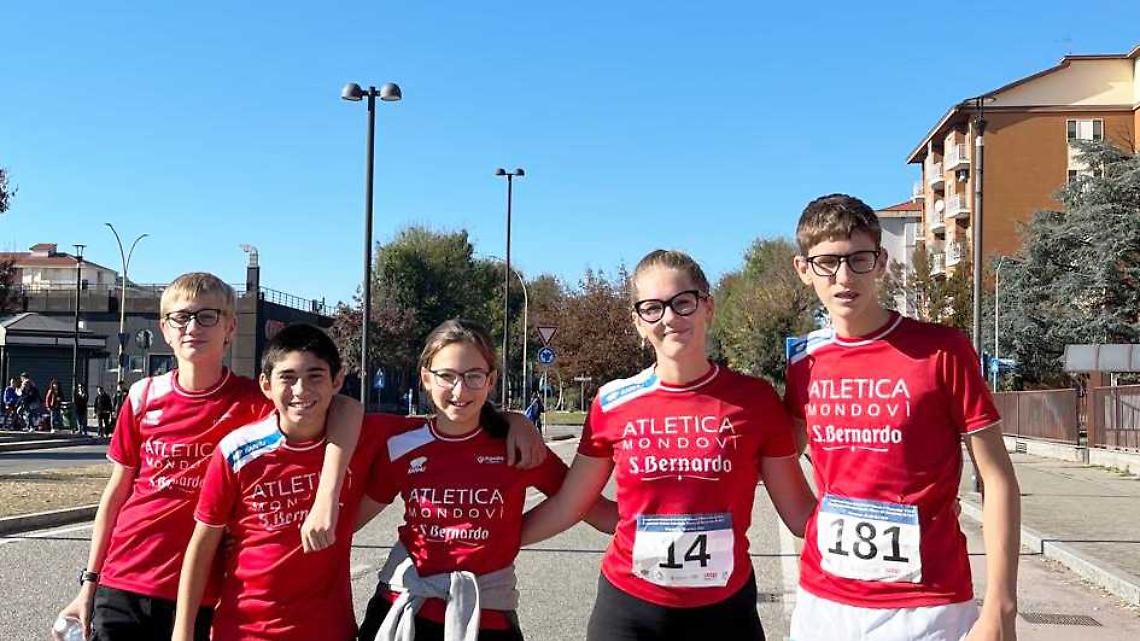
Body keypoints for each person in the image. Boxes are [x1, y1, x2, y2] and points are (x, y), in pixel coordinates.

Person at [51, 273, 367, 641]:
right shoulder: (142, 396)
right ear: (164, 330)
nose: (192, 327)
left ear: (230, 328)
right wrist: (89, 580)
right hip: (124, 579)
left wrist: (326, 497)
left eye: (207, 316)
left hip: (204, 590)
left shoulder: (256, 402)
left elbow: (345, 407)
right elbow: (117, 494)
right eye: (180, 317)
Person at [520, 250, 816, 641]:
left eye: (683, 302)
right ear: (638, 323)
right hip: (629, 611)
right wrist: (489, 543)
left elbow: (799, 515)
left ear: (707, 307)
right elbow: (571, 505)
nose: (670, 318)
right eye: (653, 308)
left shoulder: (755, 400)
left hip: (725, 614)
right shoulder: (612, 403)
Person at [784, 194, 1020, 641]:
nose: (844, 277)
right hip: (824, 604)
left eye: (859, 259)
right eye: (827, 263)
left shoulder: (943, 350)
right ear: (803, 269)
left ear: (881, 263)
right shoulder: (804, 360)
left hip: (927, 606)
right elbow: (780, 456)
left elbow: (998, 478)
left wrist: (1000, 609)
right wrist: (811, 521)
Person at [357, 319, 616, 641]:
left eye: (473, 376)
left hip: (487, 613)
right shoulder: (401, 442)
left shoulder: (519, 446)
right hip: (400, 606)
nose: (460, 390)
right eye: (446, 376)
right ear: (425, 377)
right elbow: (351, 519)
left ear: (490, 380)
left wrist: (672, 522)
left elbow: (594, 510)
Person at [173, 324, 404, 641]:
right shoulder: (237, 451)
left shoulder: (365, 437)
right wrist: (182, 633)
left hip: (328, 630)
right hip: (244, 630)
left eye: (315, 376)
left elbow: (448, 429)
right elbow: (202, 545)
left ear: (337, 380)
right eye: (288, 377)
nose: (300, 389)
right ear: (266, 385)